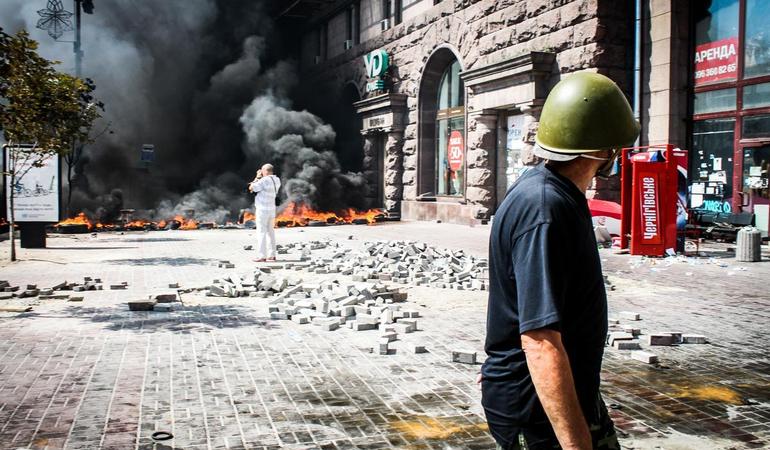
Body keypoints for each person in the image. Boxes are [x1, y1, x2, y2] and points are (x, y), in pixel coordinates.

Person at [481, 72, 640, 450]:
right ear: (601, 152)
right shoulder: (545, 210)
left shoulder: (547, 190)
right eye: (615, 147)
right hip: (537, 412)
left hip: (551, 396)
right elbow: (539, 339)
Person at [248, 163, 281, 262]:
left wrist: (257, 177)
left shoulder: (264, 180)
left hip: (262, 210)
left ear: (265, 171)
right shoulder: (277, 180)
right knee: (270, 232)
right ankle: (272, 255)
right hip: (271, 210)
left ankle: (262, 256)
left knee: (261, 232)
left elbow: (251, 188)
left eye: (262, 171)